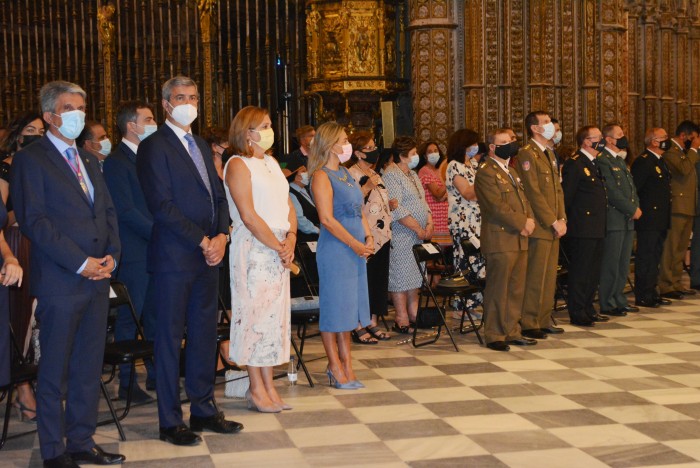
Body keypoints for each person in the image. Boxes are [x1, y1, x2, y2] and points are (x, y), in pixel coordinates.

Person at [11, 80, 125, 467]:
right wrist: (80, 262)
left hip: (98, 279)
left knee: (88, 368)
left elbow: (107, 211)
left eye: (82, 106)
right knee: (55, 370)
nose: (78, 113)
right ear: (49, 115)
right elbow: (35, 222)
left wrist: (111, 256)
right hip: (63, 280)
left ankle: (81, 441)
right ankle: (54, 451)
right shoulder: (31, 159)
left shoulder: (91, 158)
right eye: (69, 107)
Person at [136, 76, 242, 446]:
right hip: (174, 258)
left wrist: (223, 236)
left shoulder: (199, 143)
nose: (188, 102)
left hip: (208, 256)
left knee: (202, 334)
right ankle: (169, 420)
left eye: (194, 97)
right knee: (168, 339)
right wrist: (202, 240)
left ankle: (203, 409)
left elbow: (219, 195)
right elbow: (161, 206)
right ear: (166, 103)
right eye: (181, 97)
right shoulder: (154, 146)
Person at [225, 106, 296, 412]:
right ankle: (256, 388)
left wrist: (291, 237)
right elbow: (249, 215)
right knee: (255, 318)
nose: (270, 130)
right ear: (246, 133)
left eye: (270, 125)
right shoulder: (238, 164)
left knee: (273, 322)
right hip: (254, 248)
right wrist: (277, 245)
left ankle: (270, 385)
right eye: (264, 125)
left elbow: (287, 204)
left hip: (279, 245)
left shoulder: (270, 162)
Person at [309, 122, 373, 388]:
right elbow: (326, 219)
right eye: (344, 140)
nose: (348, 144)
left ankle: (348, 363)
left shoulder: (346, 173)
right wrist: (354, 244)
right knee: (334, 309)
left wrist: (368, 237)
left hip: (355, 248)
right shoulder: (321, 176)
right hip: (336, 249)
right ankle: (334, 366)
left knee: (349, 310)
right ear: (330, 144)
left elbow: (359, 210)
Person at [102, 100, 158, 402]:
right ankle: (126, 383)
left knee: (153, 316)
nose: (153, 123)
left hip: (155, 251)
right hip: (135, 251)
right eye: (148, 119)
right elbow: (124, 210)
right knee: (129, 318)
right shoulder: (116, 162)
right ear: (131, 126)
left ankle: (155, 374)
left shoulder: (149, 156)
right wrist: (159, 233)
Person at [475, 128, 535, 351]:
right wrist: (522, 222)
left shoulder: (512, 171)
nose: (510, 144)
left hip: (518, 237)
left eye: (511, 140)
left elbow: (523, 199)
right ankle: (495, 334)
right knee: (499, 289)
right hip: (501, 237)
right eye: (504, 142)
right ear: (492, 147)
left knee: (516, 288)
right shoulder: (486, 172)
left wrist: (529, 219)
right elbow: (496, 206)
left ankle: (512, 330)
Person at [514, 111, 566, 338]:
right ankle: (529, 321)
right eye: (545, 123)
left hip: (554, 224)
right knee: (535, 276)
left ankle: (544, 318)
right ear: (534, 128)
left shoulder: (550, 154)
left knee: (548, 276)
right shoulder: (527, 154)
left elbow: (557, 190)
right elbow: (534, 193)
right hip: (541, 225)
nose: (550, 126)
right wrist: (552, 220)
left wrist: (562, 218)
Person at [383, 136, 433, 334]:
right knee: (401, 276)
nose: (416, 157)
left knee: (415, 275)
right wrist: (417, 228)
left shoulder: (412, 174)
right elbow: (396, 207)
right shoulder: (391, 174)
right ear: (402, 156)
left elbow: (423, 200)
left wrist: (428, 222)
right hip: (403, 233)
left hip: (418, 234)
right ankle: (401, 317)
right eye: (412, 154)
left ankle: (414, 314)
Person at [561, 126, 608, 327]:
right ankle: (578, 311)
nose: (603, 141)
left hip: (596, 225)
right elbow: (567, 198)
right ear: (587, 141)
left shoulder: (594, 163)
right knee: (581, 271)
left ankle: (588, 307)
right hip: (582, 227)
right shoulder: (575, 164)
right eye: (598, 138)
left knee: (592, 271)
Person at [347, 131, 392, 344]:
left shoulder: (377, 173)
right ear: (357, 153)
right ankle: (358, 324)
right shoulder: (352, 174)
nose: (374, 152)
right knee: (362, 281)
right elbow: (353, 206)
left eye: (375, 147)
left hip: (383, 236)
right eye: (369, 149)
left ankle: (372, 321)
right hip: (365, 236)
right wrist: (365, 189)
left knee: (377, 281)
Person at [597, 124, 640, 317]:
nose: (624, 138)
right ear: (609, 139)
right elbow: (611, 192)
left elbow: (631, 188)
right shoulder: (603, 160)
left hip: (627, 219)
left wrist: (635, 208)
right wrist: (631, 209)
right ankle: (608, 302)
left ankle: (619, 299)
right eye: (620, 135)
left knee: (623, 264)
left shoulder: (619, 160)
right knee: (611, 264)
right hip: (614, 219)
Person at [657, 121, 700, 299]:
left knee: (681, 248)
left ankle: (675, 282)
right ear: (684, 136)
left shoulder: (683, 152)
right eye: (694, 138)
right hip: (677, 205)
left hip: (688, 206)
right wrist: (694, 149)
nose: (696, 142)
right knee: (672, 246)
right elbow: (683, 169)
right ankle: (666, 284)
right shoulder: (671, 152)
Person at [445, 129, 485, 313]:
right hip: (463, 222)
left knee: (480, 262)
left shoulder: (474, 164)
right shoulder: (454, 165)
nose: (475, 148)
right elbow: (468, 193)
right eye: (472, 144)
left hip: (478, 220)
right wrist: (486, 181)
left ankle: (477, 302)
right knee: (467, 261)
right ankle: (464, 305)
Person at [632, 128, 672, 308]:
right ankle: (643, 294)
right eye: (663, 138)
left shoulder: (660, 161)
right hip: (648, 218)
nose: (666, 140)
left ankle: (652, 291)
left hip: (660, 218)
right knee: (646, 257)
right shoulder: (644, 162)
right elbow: (636, 189)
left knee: (655, 256)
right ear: (653, 142)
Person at [0, 111, 46, 226]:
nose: (37, 136)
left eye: (41, 132)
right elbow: (2, 219)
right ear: (17, 136)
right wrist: (26, 208)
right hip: (17, 236)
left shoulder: (46, 167)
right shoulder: (6, 168)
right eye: (30, 130)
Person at [418, 141, 450, 246]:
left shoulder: (440, 170)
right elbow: (437, 194)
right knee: (434, 249)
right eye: (429, 152)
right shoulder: (424, 171)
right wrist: (448, 180)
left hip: (445, 215)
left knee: (444, 251)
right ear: (424, 156)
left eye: (436, 151)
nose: (433, 153)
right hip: (434, 217)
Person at [287, 165, 320, 242]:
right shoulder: (290, 193)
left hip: (314, 237)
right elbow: (299, 219)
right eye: (303, 171)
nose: (308, 173)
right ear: (296, 177)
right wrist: (317, 230)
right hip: (304, 240)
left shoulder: (306, 190)